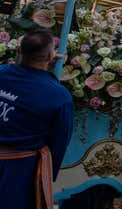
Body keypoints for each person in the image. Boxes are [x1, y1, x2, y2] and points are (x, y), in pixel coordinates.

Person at [0, 29, 74, 209]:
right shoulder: (58, 95)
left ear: (19, 50)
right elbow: (59, 141)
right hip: (17, 171)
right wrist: (49, 172)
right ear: (51, 55)